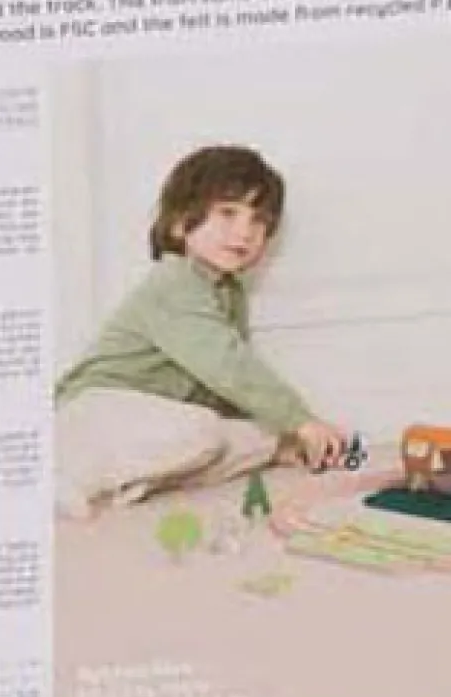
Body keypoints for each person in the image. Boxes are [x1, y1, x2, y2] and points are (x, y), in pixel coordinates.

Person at [55, 144, 348, 517]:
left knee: (254, 435)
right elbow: (227, 365)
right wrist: (301, 421)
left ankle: (134, 480)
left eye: (258, 220)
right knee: (203, 432)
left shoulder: (227, 291)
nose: (244, 232)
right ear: (180, 223)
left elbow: (221, 388)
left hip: (157, 423)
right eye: (228, 213)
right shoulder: (173, 284)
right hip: (96, 411)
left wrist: (280, 440)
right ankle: (65, 473)